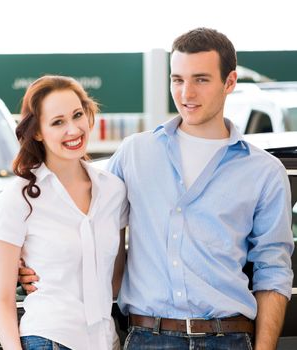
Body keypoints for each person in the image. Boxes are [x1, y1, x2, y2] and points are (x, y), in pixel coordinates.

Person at [20, 28, 294, 350]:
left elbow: (273, 270)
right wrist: (27, 263)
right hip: (146, 337)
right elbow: (80, 214)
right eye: (177, 79)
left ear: (229, 82)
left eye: (201, 80)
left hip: (229, 337)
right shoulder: (135, 152)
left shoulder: (264, 172)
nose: (186, 93)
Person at [0, 75, 129, 350]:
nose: (73, 129)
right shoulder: (21, 197)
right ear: (38, 132)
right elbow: (2, 299)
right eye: (57, 122)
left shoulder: (114, 190)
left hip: (105, 341)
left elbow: (114, 279)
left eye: (78, 115)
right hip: (50, 339)